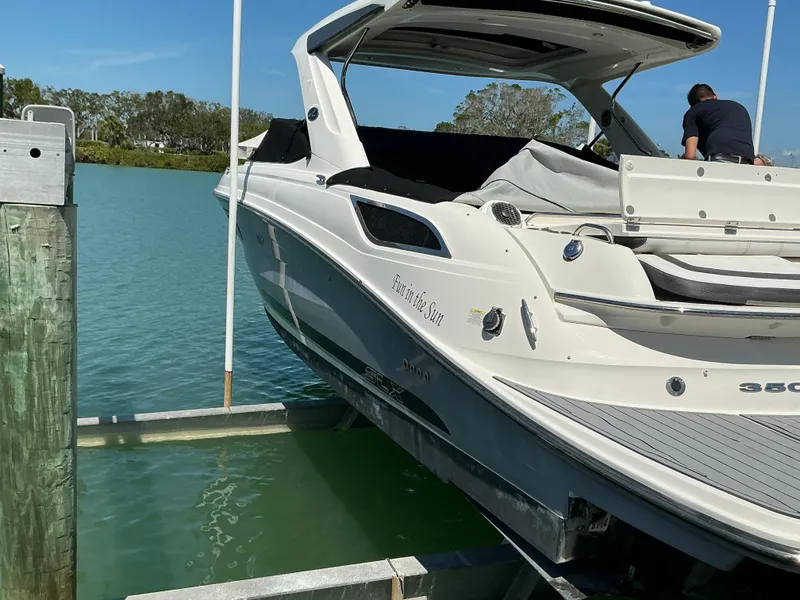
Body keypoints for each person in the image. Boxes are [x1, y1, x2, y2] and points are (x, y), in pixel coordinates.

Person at [680, 84, 755, 164]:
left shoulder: (693, 112)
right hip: (747, 162)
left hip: (719, 159)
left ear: (692, 105)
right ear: (715, 96)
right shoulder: (738, 107)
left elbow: (690, 156)